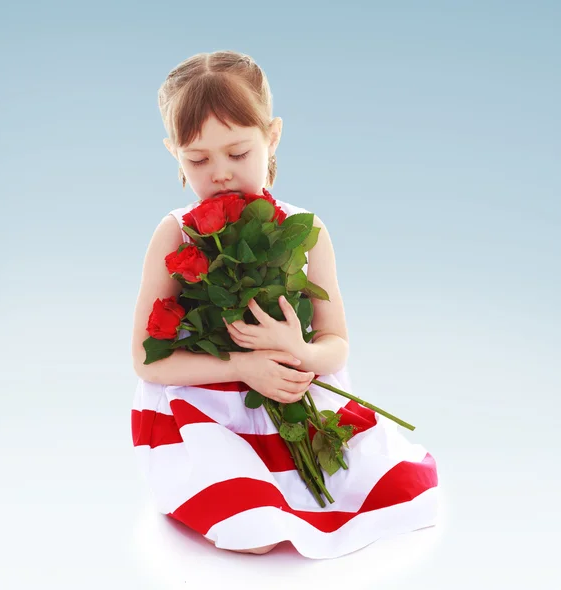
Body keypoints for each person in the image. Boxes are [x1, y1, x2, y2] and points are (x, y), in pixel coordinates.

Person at [130, 50, 439, 559]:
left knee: (390, 489)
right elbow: (146, 359)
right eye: (198, 159)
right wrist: (244, 365)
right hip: (205, 404)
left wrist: (299, 350)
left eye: (237, 152)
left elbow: (336, 344)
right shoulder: (175, 234)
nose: (221, 173)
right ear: (173, 153)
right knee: (251, 529)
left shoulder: (307, 230)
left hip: (296, 395)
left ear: (271, 136)